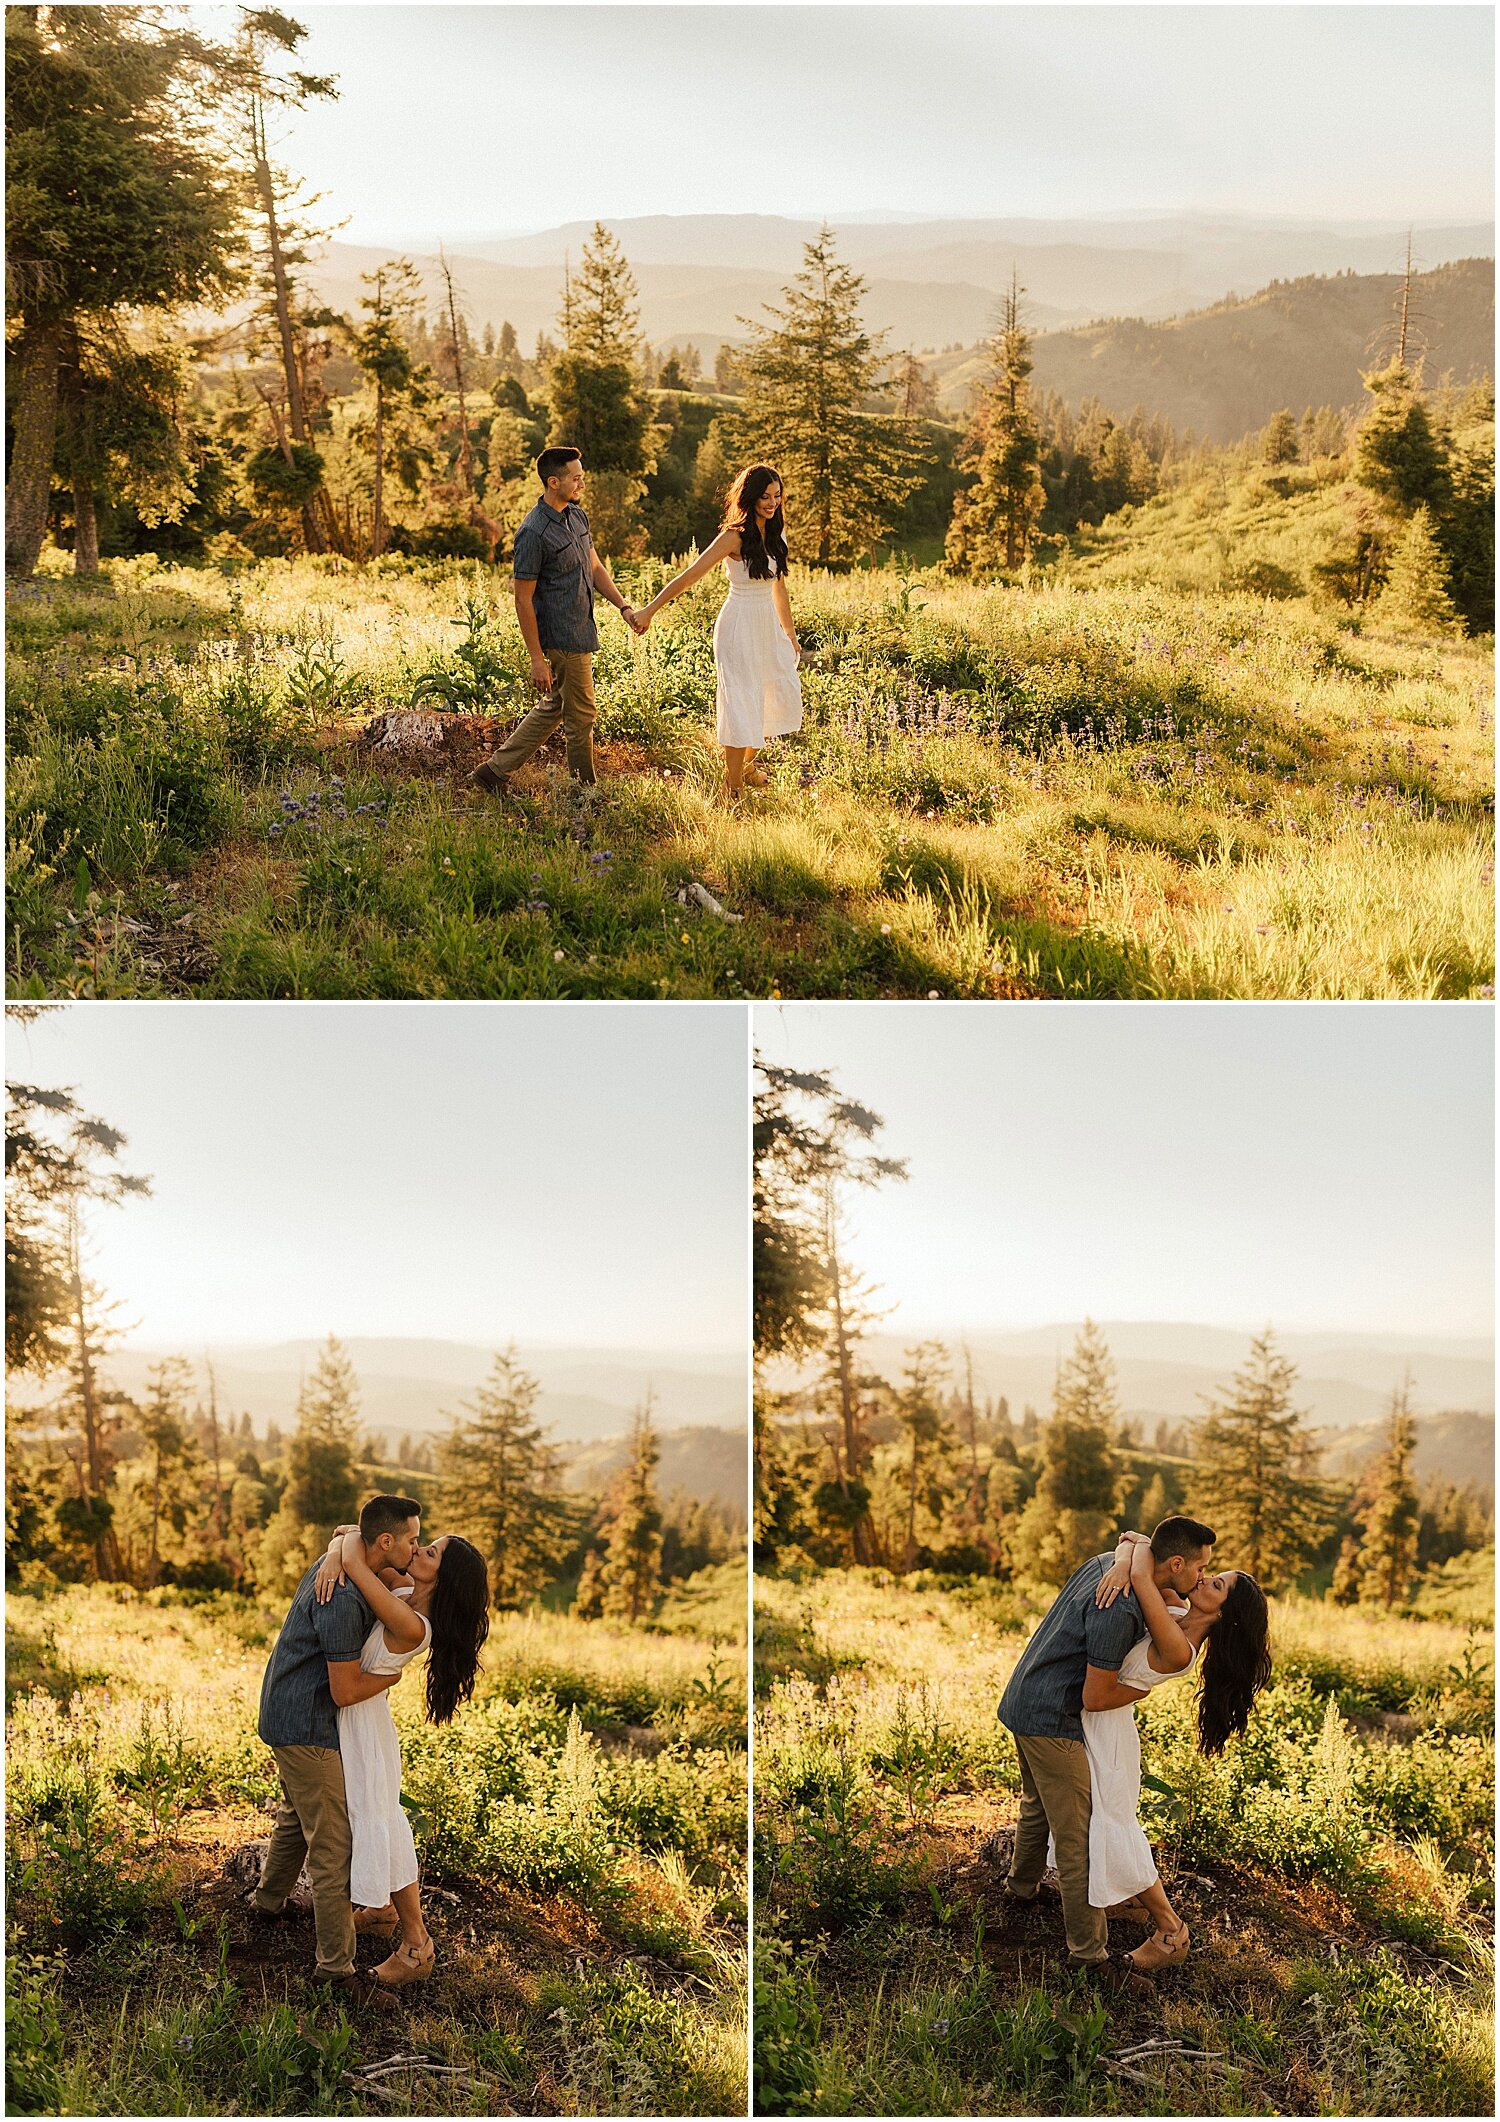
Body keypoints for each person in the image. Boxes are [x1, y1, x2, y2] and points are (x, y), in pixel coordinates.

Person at [995, 1515, 1216, 1988]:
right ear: (1175, 1563)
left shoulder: (1107, 1564)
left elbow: (1134, 1545)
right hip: (1054, 1718)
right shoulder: (1121, 1607)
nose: (1201, 1577)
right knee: (1079, 1839)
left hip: (1024, 1696)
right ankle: (1089, 1957)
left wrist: (1125, 1557)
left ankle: (1020, 1887)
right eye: (1200, 1568)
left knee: (1037, 1803)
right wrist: (1140, 1694)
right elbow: (1096, 1697)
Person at [250, 1494, 423, 2001]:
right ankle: (337, 1972)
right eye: (412, 1539)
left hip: (288, 1710)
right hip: (307, 1724)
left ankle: (267, 1903)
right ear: (385, 1542)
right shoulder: (343, 1596)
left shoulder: (351, 1568)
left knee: (295, 1816)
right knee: (332, 1846)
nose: (416, 1547)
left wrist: (340, 1543)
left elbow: (351, 1533)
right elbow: (346, 1690)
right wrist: (389, 1680)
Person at [1080, 1529, 1272, 1971]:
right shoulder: (1180, 1610)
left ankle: (1171, 1930)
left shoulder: (1179, 1648)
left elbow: (1147, 1575)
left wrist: (1128, 1564)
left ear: (1226, 1615)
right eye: (1209, 1573)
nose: (1203, 1580)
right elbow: (1141, 1542)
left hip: (1106, 1734)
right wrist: (1126, 1555)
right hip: (1103, 1725)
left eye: (1216, 1584)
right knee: (1096, 1820)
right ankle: (1123, 1899)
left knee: (1113, 1826)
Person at [311, 1522, 491, 1988]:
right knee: (373, 1816)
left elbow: (356, 1556)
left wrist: (341, 1555)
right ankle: (382, 1908)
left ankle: (416, 1944)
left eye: (430, 1550)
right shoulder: (406, 1590)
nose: (418, 1548)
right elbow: (349, 1533)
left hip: (364, 1730)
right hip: (362, 1721)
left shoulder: (411, 1622)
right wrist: (335, 1551)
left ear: (443, 1577)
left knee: (380, 1820)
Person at [471, 445, 644, 797]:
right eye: (576, 478)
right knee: (582, 717)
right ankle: (585, 794)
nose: (582, 483)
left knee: (558, 705)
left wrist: (623, 606)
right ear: (554, 482)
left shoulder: (577, 517)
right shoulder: (532, 533)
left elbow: (594, 567)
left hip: (583, 628)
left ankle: (494, 771)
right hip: (560, 634)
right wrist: (536, 657)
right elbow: (522, 599)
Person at [634, 464, 803, 799]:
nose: (772, 503)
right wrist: (649, 610)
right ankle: (733, 786)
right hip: (738, 626)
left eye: (777, 496)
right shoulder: (733, 536)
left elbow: (779, 587)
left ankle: (745, 765)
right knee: (740, 702)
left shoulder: (777, 532)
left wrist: (790, 632)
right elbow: (689, 575)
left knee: (776, 694)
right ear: (750, 497)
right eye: (765, 497)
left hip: (766, 624)